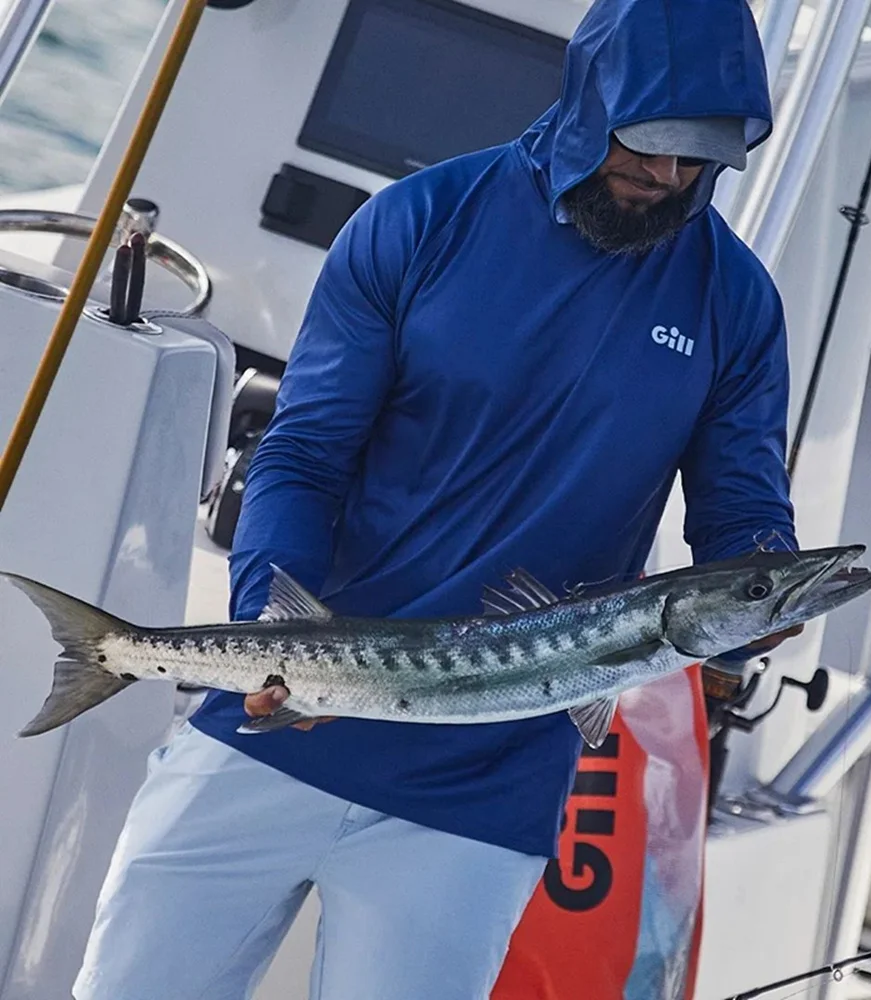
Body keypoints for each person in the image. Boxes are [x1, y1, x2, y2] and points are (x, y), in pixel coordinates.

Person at [72, 0, 802, 997]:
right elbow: (303, 456)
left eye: (699, 159)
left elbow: (742, 519)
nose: (668, 178)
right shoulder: (422, 221)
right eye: (652, 143)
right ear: (593, 101)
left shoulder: (738, 305)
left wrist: (771, 594)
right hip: (276, 732)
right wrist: (269, 636)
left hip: (481, 795)